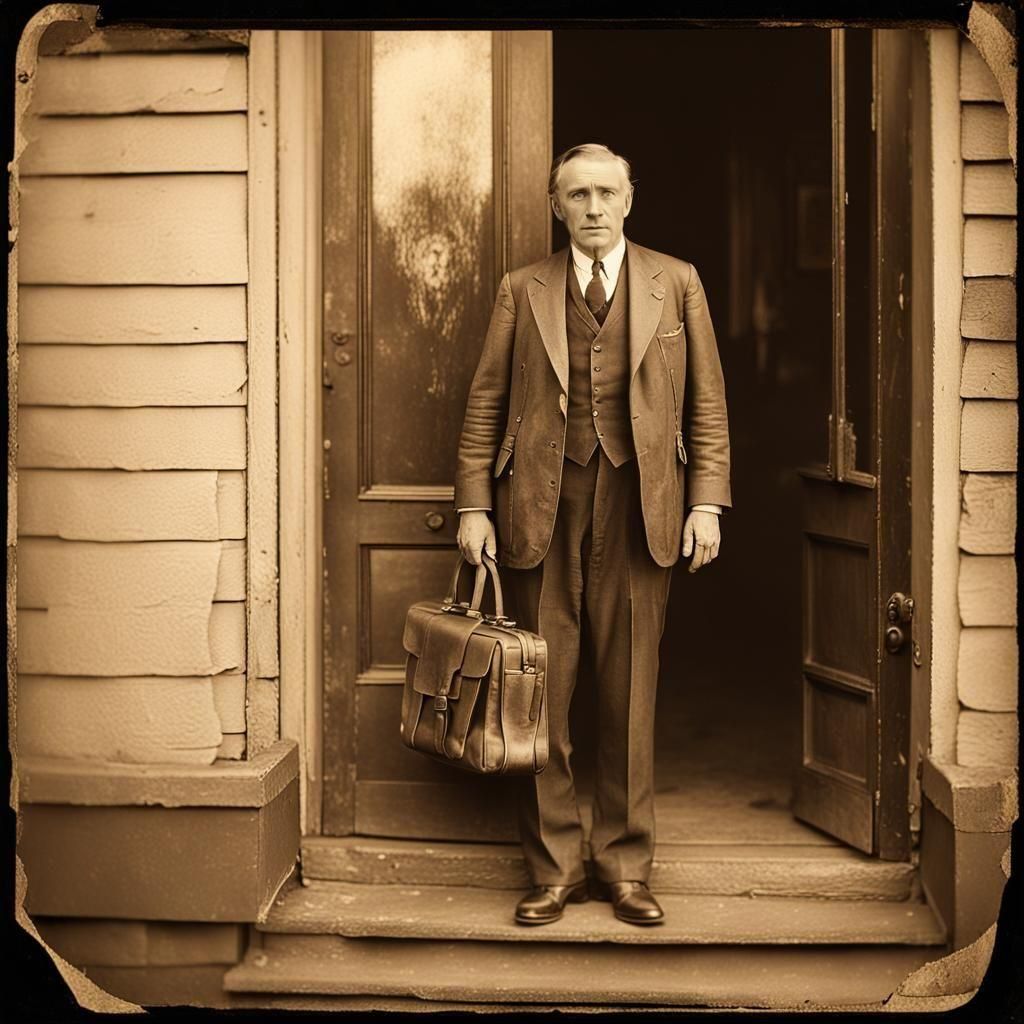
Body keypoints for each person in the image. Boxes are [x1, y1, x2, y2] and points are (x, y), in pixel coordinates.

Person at [454, 143, 731, 927]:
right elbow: (486, 402)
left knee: (629, 693)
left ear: (630, 199)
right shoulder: (523, 290)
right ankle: (554, 868)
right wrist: (474, 505)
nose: (594, 207)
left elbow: (707, 402)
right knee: (542, 690)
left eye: (607, 192)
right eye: (578, 195)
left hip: (645, 506)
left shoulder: (675, 282)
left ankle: (626, 867)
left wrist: (706, 502)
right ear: (557, 205)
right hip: (541, 506)